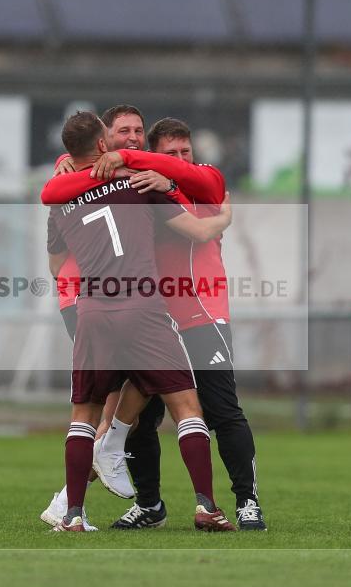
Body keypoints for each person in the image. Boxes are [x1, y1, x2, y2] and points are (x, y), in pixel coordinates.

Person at [41, 117, 267, 531]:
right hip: (145, 306)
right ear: (104, 140)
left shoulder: (62, 197)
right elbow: (199, 229)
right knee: (186, 408)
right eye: (119, 134)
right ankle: (203, 507)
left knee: (85, 414)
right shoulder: (136, 184)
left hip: (97, 308)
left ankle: (72, 512)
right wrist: (225, 219)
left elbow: (57, 264)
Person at [39, 105, 174, 528]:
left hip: (111, 301)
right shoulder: (85, 183)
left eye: (139, 130)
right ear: (104, 141)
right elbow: (57, 262)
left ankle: (143, 504)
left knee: (139, 411)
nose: (132, 138)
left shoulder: (113, 179)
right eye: (122, 132)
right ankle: (67, 504)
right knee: (107, 409)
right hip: (94, 303)